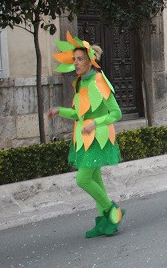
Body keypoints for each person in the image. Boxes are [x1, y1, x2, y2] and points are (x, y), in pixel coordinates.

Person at [47, 32, 125, 238]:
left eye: (80, 59)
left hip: (98, 137)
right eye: (74, 60)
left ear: (90, 61)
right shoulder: (81, 83)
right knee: (96, 181)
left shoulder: (99, 80)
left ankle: (111, 210)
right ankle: (104, 223)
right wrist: (59, 110)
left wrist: (95, 124)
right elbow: (78, 114)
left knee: (83, 179)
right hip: (83, 139)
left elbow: (116, 113)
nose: (76, 63)